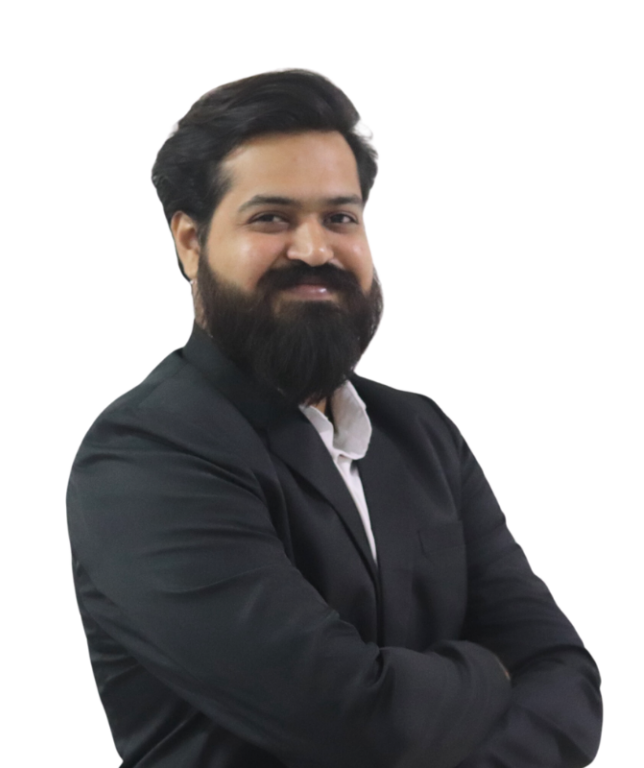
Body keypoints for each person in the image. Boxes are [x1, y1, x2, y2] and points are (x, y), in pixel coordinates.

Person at [67, 70, 602, 768]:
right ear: (191, 242)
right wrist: (493, 672)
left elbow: (567, 682)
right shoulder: (146, 457)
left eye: (340, 218)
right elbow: (354, 724)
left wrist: (435, 709)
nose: (315, 249)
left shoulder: (421, 435)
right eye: (271, 218)